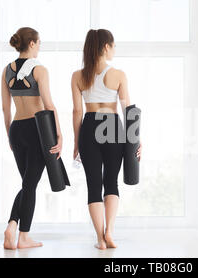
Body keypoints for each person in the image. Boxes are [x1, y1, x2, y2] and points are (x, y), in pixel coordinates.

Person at [71, 29, 142, 250]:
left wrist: (76, 143)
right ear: (105, 47)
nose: (113, 50)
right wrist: (136, 140)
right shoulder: (118, 74)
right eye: (113, 46)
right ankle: (110, 231)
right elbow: (127, 109)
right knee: (111, 182)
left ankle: (100, 239)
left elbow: (76, 112)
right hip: (111, 125)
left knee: (94, 185)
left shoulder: (78, 76)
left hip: (90, 125)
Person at [1, 27, 63, 249]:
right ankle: (21, 235)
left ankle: (13, 226)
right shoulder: (40, 70)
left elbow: (5, 109)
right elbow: (48, 105)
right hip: (37, 130)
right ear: (33, 44)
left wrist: (9, 134)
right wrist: (59, 134)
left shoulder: (6, 70)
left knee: (28, 183)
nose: (40, 46)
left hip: (17, 128)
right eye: (39, 42)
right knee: (29, 184)